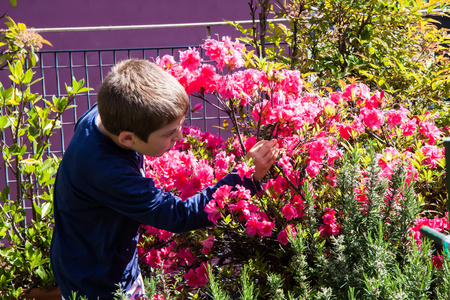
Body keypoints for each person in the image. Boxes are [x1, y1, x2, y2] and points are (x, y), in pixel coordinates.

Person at [50, 58, 279, 299]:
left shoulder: (106, 115)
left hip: (93, 258)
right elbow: (178, 215)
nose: (180, 136)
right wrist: (243, 179)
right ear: (127, 139)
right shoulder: (109, 173)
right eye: (170, 133)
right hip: (99, 284)